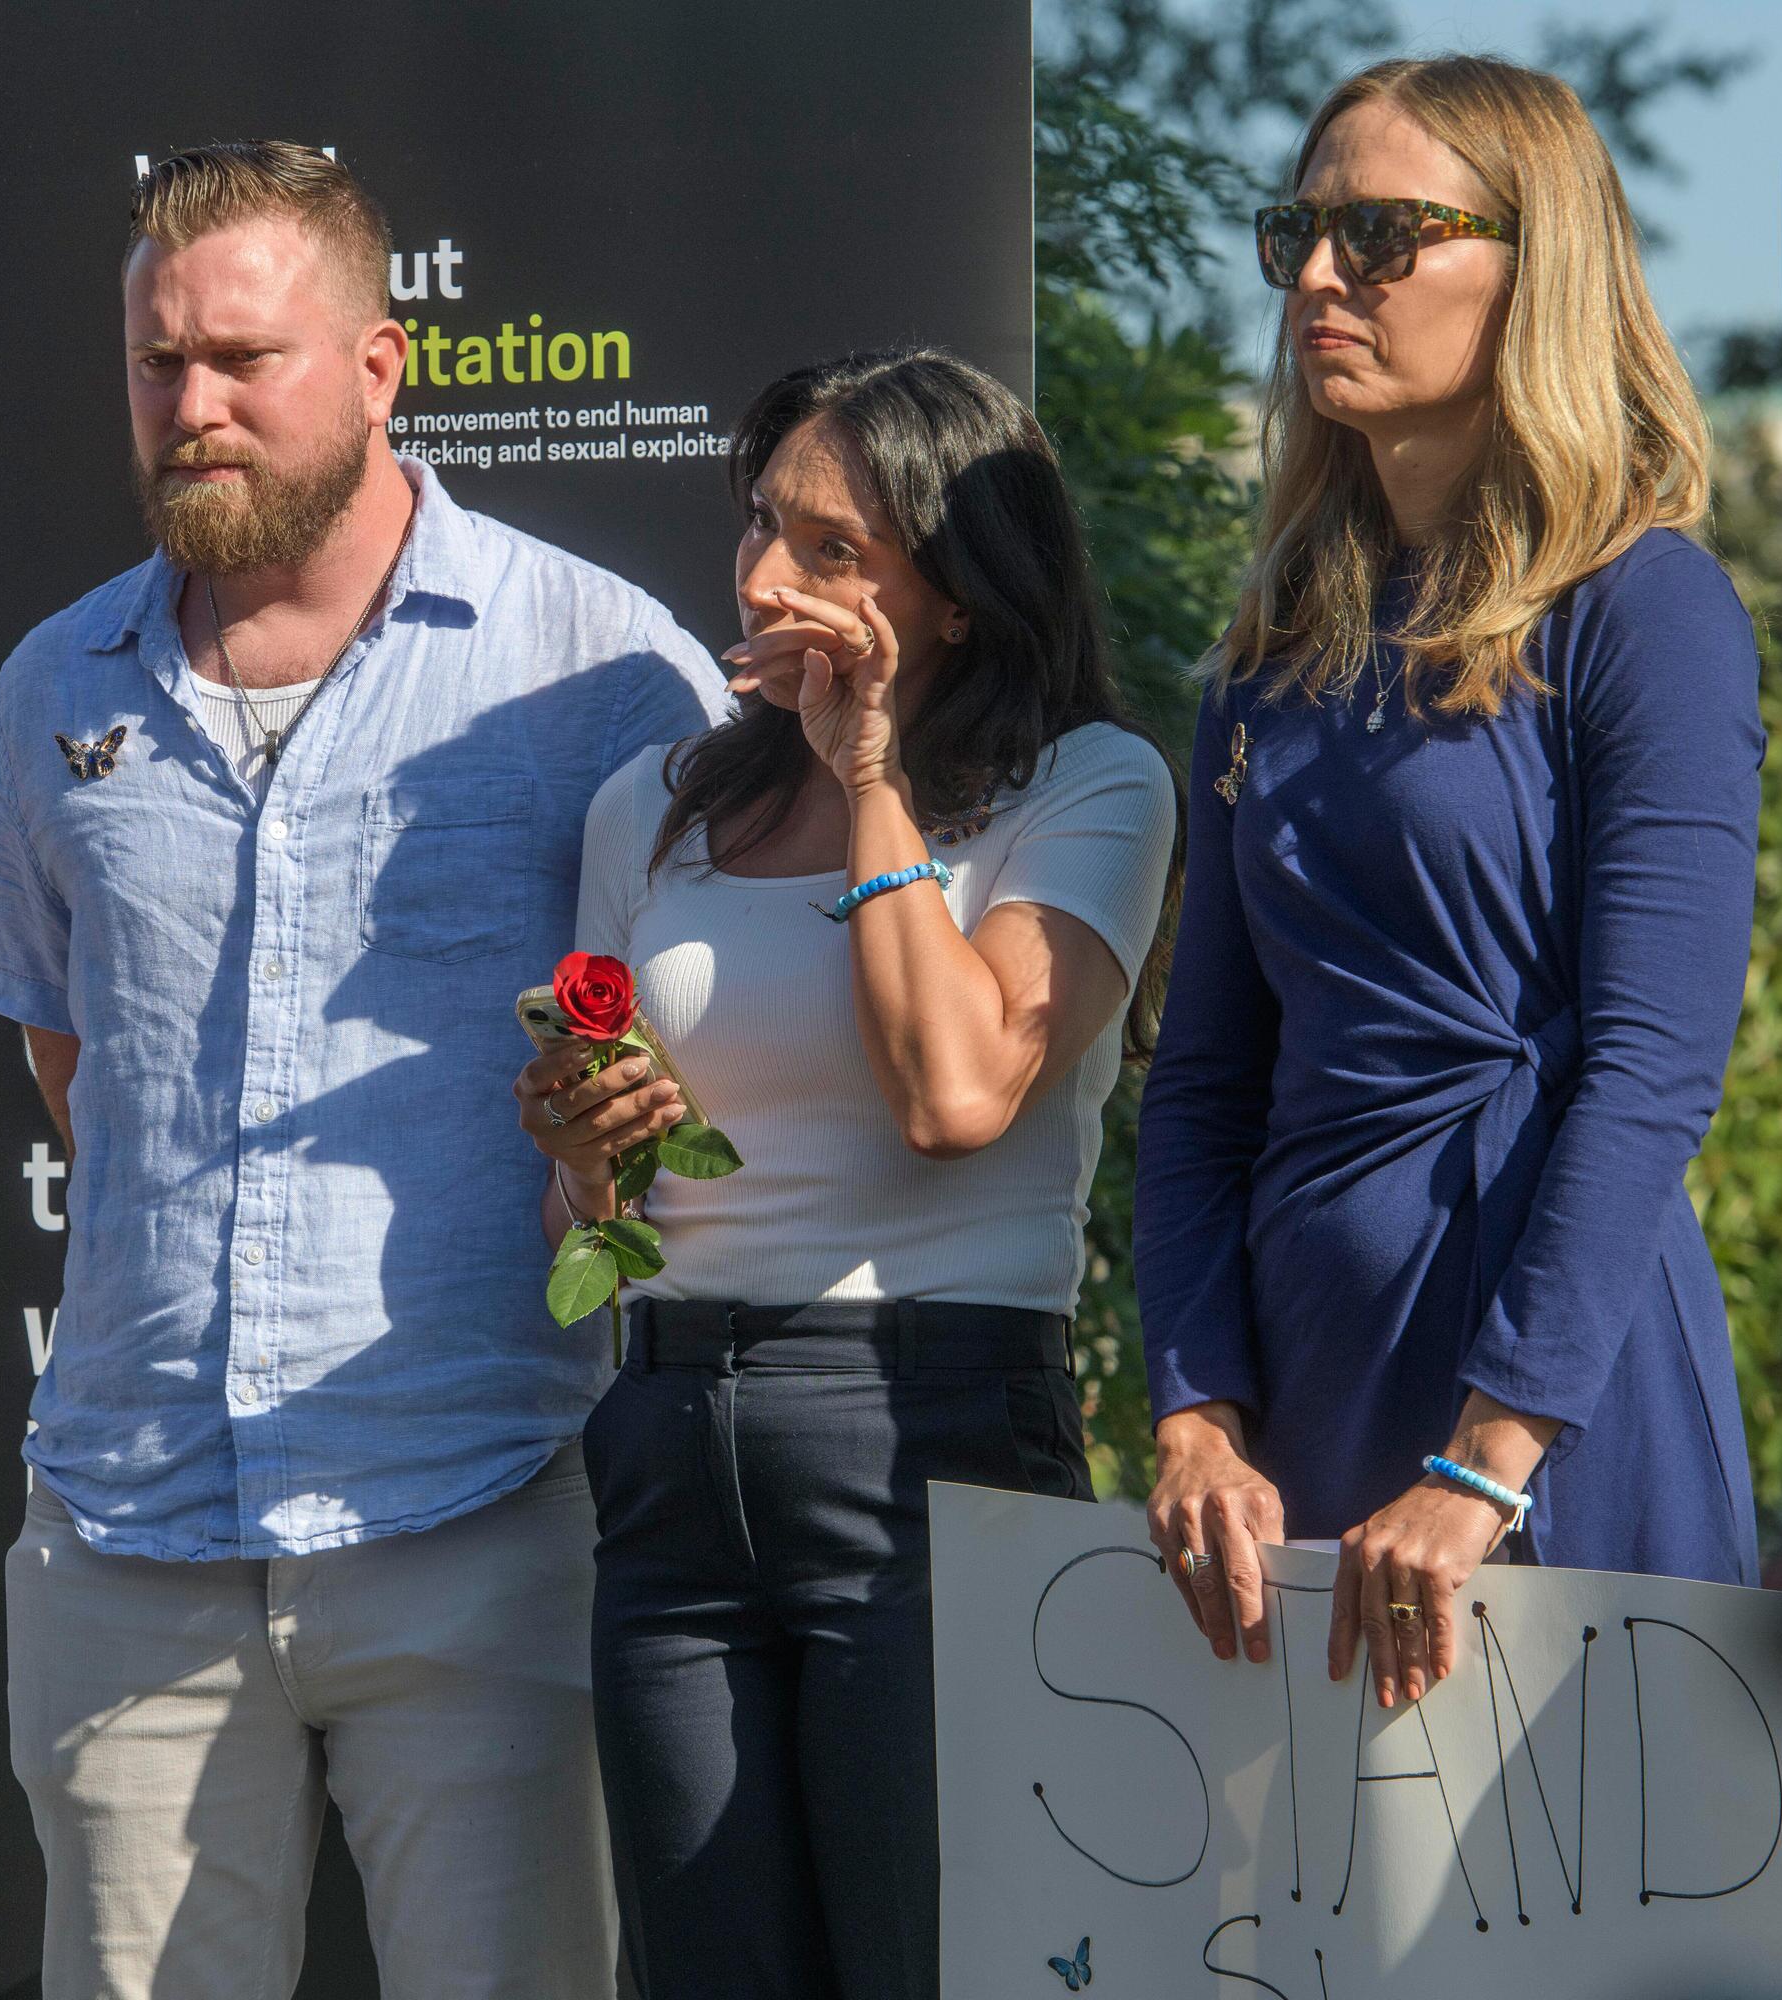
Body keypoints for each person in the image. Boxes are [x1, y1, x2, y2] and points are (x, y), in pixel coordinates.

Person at [0, 141, 728, 1999]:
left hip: (483, 1505)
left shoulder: (602, 671)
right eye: (159, 363)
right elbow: (82, 1068)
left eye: (245, 359)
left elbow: (701, 1088)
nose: (193, 407)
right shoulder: (54, 687)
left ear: (382, 366)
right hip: (131, 1526)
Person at [516, 348, 1177, 1999]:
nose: (762, 580)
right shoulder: (658, 806)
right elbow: (600, 1229)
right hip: (671, 1439)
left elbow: (958, 1093)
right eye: (762, 524)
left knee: (941, 1968)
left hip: (928, 1432)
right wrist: (587, 1161)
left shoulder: (1087, 785)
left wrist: (872, 773)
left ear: (954, 593)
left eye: (832, 550)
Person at [1133, 54, 1763, 1721]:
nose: (1321, 280)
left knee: (1593, 1883)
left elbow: (1652, 1070)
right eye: (1301, 235)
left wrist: (1489, 1458)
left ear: (1537, 266)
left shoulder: (1643, 609)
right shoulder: (1266, 662)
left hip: (1546, 1410)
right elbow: (1203, 1083)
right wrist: (1197, 1412)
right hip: (1302, 1416)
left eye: (1383, 236)